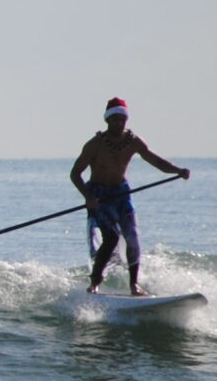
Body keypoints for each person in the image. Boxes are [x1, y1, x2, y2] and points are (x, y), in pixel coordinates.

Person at [70, 97, 191, 295]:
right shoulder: (94, 145)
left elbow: (155, 160)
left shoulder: (133, 141)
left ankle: (134, 284)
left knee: (133, 236)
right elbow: (75, 174)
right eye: (115, 119)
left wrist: (177, 171)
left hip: (121, 194)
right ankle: (95, 281)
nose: (119, 123)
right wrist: (88, 197)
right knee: (110, 238)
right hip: (99, 195)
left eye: (122, 120)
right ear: (107, 120)